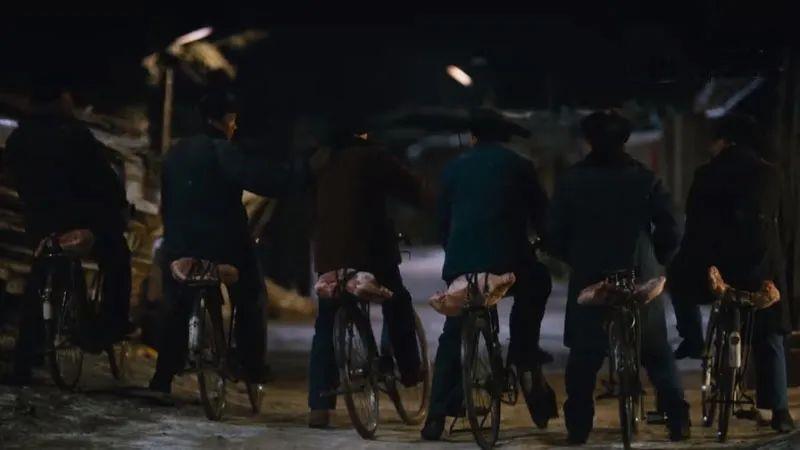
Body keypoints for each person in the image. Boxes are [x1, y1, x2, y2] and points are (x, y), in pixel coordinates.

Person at [149, 92, 323, 394]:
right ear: (227, 120)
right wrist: (304, 171)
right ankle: (251, 365)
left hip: (177, 245)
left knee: (177, 303)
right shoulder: (224, 151)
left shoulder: (175, 152)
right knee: (251, 294)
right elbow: (266, 180)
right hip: (221, 246)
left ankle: (162, 379)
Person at [546, 110, 690, 444]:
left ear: (588, 141)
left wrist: (574, 258)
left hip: (590, 278)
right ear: (625, 140)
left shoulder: (571, 181)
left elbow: (553, 234)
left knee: (584, 354)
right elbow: (670, 227)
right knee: (655, 350)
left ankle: (579, 427)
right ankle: (677, 420)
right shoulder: (645, 178)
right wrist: (659, 259)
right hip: (638, 275)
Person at [421, 109, 556, 440]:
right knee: (537, 282)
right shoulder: (520, 166)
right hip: (509, 262)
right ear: (505, 137)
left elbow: (442, 221)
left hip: (463, 263)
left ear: (473, 137)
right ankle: (523, 350)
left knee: (454, 330)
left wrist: (455, 252)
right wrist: (548, 242)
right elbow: (541, 215)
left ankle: (435, 417)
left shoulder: (453, 168)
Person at [668, 113, 795, 432]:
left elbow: (694, 224)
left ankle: (693, 339)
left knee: (676, 278)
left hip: (715, 269)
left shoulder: (707, 174)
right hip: (761, 268)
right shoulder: (771, 174)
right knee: (770, 332)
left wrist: (692, 257)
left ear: (725, 141)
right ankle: (780, 411)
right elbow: (787, 226)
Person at [4, 86, 133, 384]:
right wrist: (117, 209)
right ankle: (111, 326)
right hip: (79, 226)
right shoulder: (74, 135)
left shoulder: (18, 139)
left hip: (40, 227)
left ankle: (25, 358)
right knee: (117, 256)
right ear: (60, 101)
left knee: (40, 278)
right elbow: (104, 181)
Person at [307, 127, 431, 428]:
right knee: (397, 301)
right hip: (371, 255)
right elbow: (412, 189)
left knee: (327, 321)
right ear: (360, 133)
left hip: (330, 258)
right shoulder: (372, 157)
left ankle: (319, 406)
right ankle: (410, 371)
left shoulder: (319, 160)